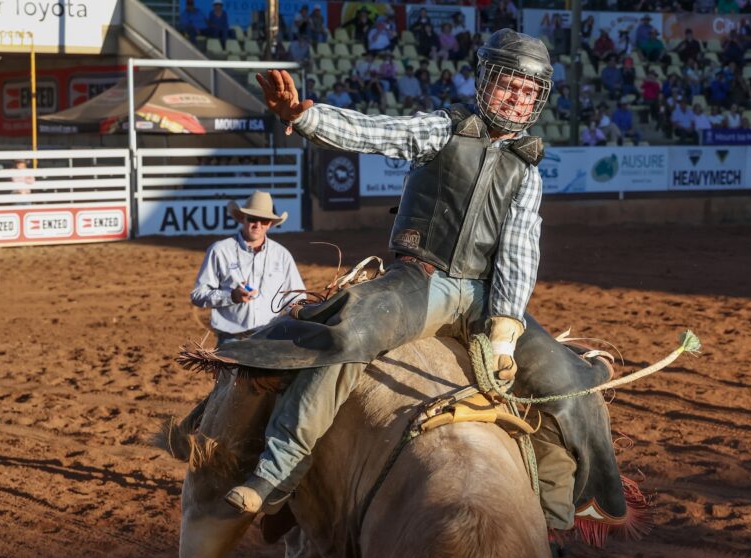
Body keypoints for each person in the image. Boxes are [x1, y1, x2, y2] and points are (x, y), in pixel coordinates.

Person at [222, 30, 559, 515]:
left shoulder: (527, 173)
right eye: (510, 85)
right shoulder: (444, 130)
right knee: (351, 334)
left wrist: (504, 332)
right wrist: (304, 115)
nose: (518, 99)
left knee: (570, 384)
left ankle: (553, 527)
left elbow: (520, 252)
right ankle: (276, 473)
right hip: (423, 282)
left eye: (529, 92)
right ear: (486, 81)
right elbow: (375, 132)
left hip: (486, 300)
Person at [190, 191, 304, 342]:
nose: (257, 225)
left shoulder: (282, 255)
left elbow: (295, 297)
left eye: (264, 221)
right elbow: (198, 295)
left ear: (270, 224)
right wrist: (231, 296)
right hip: (231, 340)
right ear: (242, 218)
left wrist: (299, 311)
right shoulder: (220, 251)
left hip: (270, 338)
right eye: (252, 219)